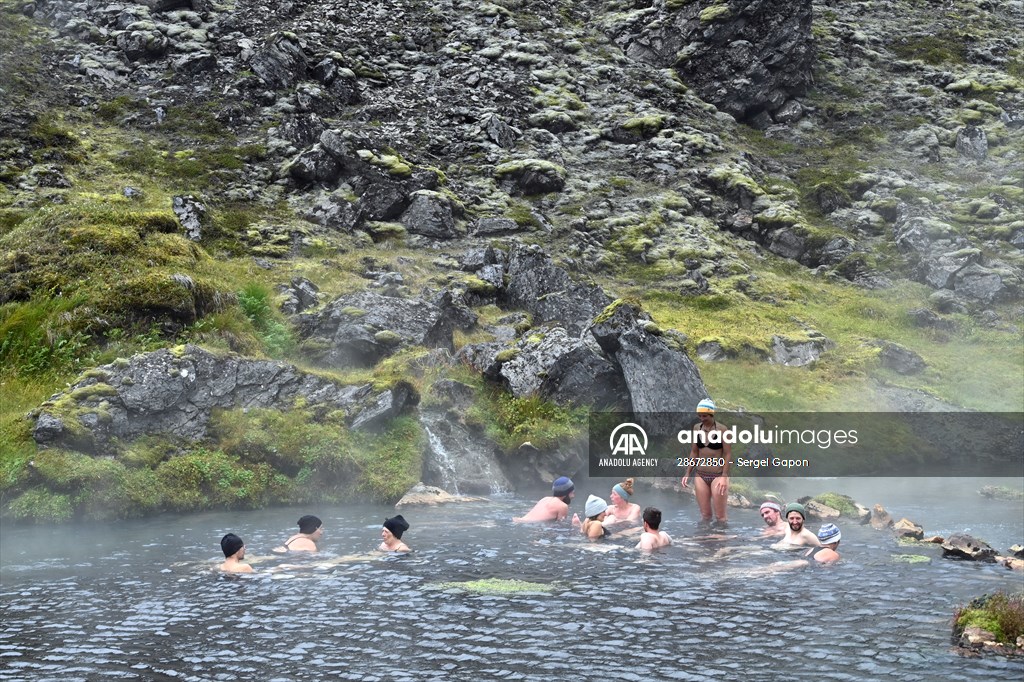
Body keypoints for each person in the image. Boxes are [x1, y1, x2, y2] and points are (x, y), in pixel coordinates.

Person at [680, 398, 732, 528]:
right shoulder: (697, 428)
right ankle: (704, 543)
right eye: (699, 416)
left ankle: (721, 543)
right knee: (705, 515)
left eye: (705, 416)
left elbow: (727, 454)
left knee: (720, 517)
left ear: (711, 414)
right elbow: (694, 452)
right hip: (701, 475)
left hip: (718, 475)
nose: (702, 418)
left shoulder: (722, 430)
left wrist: (725, 477)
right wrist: (687, 472)